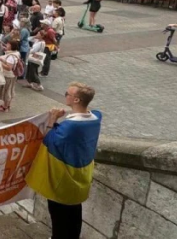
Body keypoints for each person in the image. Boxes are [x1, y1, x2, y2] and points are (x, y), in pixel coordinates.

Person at [26, 83, 102, 239]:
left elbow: (48, 139)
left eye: (67, 93)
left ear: (76, 99)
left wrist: (53, 118)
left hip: (65, 178)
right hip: (83, 173)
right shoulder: (96, 118)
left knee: (59, 215)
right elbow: (92, 112)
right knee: (75, 211)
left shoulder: (70, 127)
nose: (65, 94)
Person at [0, 40, 22, 112]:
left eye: (8, 44)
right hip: (13, 75)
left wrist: (0, 62)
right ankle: (8, 105)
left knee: (7, 91)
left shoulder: (11, 56)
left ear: (11, 46)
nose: (6, 45)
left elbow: (9, 68)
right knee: (10, 90)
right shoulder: (16, 53)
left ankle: (5, 107)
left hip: (9, 76)